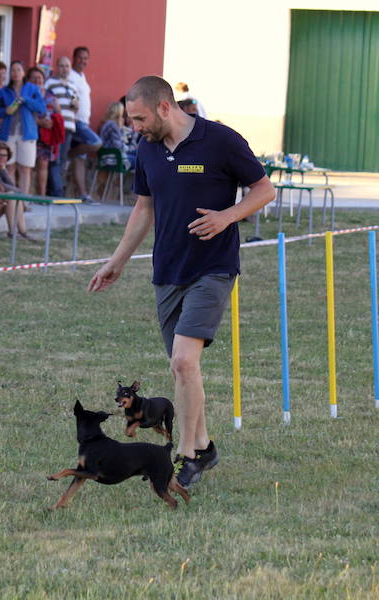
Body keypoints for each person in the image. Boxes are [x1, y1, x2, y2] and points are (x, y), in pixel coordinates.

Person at [87, 76, 275, 490]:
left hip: (213, 267)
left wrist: (228, 216)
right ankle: (205, 446)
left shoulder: (221, 140)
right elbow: (143, 208)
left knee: (184, 363)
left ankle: (185, 458)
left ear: (165, 107)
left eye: (139, 118)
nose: (134, 126)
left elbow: (264, 190)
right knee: (182, 370)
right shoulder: (147, 149)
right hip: (167, 271)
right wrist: (116, 262)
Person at [0, 61, 46, 195]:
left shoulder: (32, 89)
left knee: (25, 169)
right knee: (9, 166)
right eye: (12, 70)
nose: (15, 73)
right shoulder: (3, 91)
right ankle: (11, 199)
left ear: (23, 73)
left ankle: (23, 200)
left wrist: (26, 100)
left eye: (18, 70)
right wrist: (6, 110)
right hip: (8, 133)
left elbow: (41, 108)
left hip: (27, 133)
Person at [67, 46, 102, 203]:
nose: (83, 61)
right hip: (76, 122)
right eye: (80, 57)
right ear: (74, 58)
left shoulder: (82, 76)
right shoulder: (70, 75)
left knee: (80, 159)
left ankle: (83, 194)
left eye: (85, 58)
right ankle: (67, 155)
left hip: (83, 121)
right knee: (96, 143)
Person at [0, 142, 34, 240]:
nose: (2, 158)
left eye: (5, 156)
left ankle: (22, 232)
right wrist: (20, 192)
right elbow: (0, 186)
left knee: (13, 196)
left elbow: (11, 185)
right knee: (11, 195)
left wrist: (3, 170)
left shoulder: (1, 168)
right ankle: (13, 232)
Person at [27, 66, 64, 199]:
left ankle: (41, 196)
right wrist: (38, 121)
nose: (38, 80)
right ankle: (28, 195)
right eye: (34, 78)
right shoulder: (27, 94)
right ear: (29, 80)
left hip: (46, 136)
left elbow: (58, 112)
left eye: (40, 78)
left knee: (43, 164)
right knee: (29, 165)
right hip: (30, 132)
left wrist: (54, 122)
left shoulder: (50, 94)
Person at [44, 56, 79, 196]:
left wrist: (76, 106)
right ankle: (57, 192)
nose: (64, 69)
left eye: (67, 66)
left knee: (63, 160)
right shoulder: (50, 82)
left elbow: (76, 107)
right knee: (55, 159)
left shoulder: (73, 85)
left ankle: (56, 189)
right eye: (62, 66)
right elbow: (45, 100)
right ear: (57, 67)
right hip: (56, 126)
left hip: (69, 126)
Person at [98, 101, 132, 170]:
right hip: (111, 159)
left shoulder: (107, 123)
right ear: (119, 112)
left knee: (137, 155)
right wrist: (129, 149)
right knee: (139, 159)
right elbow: (118, 145)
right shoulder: (112, 125)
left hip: (107, 157)